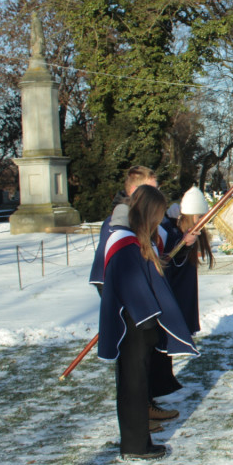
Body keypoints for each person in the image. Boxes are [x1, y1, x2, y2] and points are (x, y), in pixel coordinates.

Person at [97, 185, 199, 460]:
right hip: (133, 325)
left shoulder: (136, 239)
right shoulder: (124, 241)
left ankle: (138, 441)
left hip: (138, 324)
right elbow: (131, 286)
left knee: (138, 383)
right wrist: (149, 322)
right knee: (133, 385)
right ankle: (135, 446)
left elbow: (153, 271)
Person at [89, 166, 181, 425]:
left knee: (145, 366)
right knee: (132, 370)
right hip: (131, 312)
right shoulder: (118, 223)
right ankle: (138, 419)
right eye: (152, 190)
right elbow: (111, 270)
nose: (157, 194)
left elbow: (155, 255)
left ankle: (146, 407)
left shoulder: (140, 220)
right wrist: (127, 309)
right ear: (134, 191)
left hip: (145, 308)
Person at [163, 187, 214, 335]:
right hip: (176, 297)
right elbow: (174, 258)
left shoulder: (184, 232)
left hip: (185, 294)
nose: (202, 220)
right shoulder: (174, 233)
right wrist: (185, 245)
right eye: (199, 216)